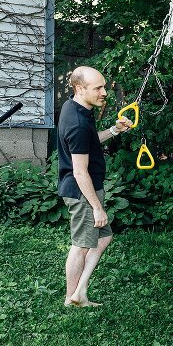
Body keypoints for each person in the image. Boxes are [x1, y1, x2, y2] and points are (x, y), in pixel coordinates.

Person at [58, 66, 133, 307]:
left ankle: (79, 293)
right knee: (80, 245)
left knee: (103, 237)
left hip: (87, 188)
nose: (104, 92)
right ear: (80, 88)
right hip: (82, 191)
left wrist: (114, 130)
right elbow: (80, 172)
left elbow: (90, 142)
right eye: (98, 88)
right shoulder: (78, 122)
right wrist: (97, 207)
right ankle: (72, 298)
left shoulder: (77, 106)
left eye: (103, 86)